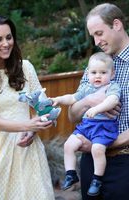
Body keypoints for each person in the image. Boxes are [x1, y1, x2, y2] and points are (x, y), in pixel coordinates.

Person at [0, 13, 55, 200]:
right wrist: (28, 126)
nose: (6, 43)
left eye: (9, 37)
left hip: (29, 149)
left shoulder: (26, 68)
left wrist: (34, 129)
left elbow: (42, 108)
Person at [68, 3, 129, 200]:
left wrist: (107, 144)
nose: (96, 41)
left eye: (99, 33)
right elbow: (72, 115)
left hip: (125, 163)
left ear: (117, 24)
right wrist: (88, 100)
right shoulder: (95, 66)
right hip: (90, 163)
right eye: (93, 35)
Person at [51, 52, 120, 196]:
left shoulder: (112, 87)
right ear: (88, 74)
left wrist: (96, 108)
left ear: (112, 74)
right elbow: (72, 98)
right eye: (94, 72)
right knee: (69, 145)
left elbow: (112, 101)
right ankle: (71, 174)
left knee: (97, 149)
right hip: (87, 126)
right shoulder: (87, 88)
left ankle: (97, 178)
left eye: (103, 72)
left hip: (103, 128)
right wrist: (58, 99)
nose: (98, 76)